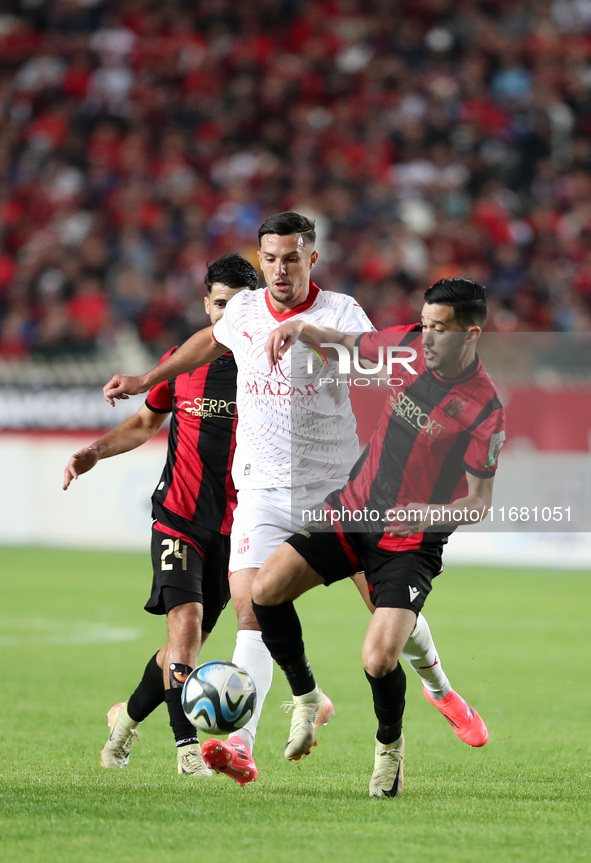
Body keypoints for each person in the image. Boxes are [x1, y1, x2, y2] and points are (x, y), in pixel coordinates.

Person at [102, 214, 489, 785]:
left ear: (312, 258)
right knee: (252, 610)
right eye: (270, 259)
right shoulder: (246, 311)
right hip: (259, 487)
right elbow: (211, 340)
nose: (279, 270)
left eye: (291, 258)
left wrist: (318, 341)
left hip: (337, 487)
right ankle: (242, 742)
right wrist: (145, 379)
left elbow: (370, 358)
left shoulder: (342, 311)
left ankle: (442, 690)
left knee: (390, 621)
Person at [252, 277, 505, 798]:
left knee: (378, 659)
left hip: (409, 544)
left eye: (441, 330)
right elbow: (348, 345)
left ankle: (389, 748)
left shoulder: (484, 409)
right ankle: (306, 695)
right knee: (265, 589)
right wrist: (300, 327)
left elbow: (479, 504)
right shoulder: (407, 344)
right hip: (351, 509)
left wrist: (431, 512)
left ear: (472, 335)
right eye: (426, 324)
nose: (428, 337)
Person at [63, 253, 260, 780]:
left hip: (238, 530)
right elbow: (146, 420)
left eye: (240, 307)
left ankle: (123, 723)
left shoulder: (269, 372)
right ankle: (187, 750)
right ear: (207, 304)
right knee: (187, 625)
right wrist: (95, 453)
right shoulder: (183, 362)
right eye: (220, 306)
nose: (228, 318)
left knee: (182, 648)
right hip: (177, 516)